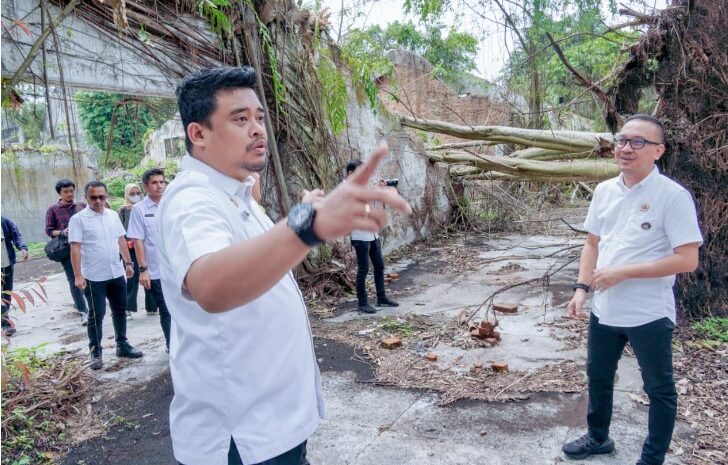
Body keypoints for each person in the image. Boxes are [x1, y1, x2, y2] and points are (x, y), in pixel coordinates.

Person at [158, 66, 410, 465]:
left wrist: (304, 214)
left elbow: (262, 254)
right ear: (198, 134)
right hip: (241, 436)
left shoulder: (238, 198)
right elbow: (210, 285)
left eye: (259, 117)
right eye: (240, 119)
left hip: (275, 427)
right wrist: (308, 225)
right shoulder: (191, 198)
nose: (257, 128)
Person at [562, 114, 703, 465]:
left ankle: (651, 459)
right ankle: (598, 438)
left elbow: (687, 259)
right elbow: (592, 244)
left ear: (658, 151)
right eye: (622, 140)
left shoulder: (673, 197)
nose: (626, 148)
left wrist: (624, 272)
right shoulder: (605, 191)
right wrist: (581, 288)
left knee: (659, 390)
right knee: (598, 378)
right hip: (605, 310)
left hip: (648, 313)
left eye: (638, 142)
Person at [69, 181, 144, 370]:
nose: (98, 201)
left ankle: (122, 344)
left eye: (101, 197)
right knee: (97, 315)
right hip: (94, 276)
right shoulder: (78, 219)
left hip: (116, 272)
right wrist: (78, 276)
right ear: (86, 197)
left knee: (120, 310)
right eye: (93, 197)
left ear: (107, 196)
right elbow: (75, 249)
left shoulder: (112, 215)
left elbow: (120, 239)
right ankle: (96, 352)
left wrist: (128, 263)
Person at [345, 160, 399, 314]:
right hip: (360, 234)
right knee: (363, 269)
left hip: (372, 233)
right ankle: (362, 303)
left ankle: (381, 297)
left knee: (379, 266)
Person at [127, 168, 171, 350]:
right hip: (156, 270)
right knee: (166, 310)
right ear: (146, 186)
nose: (159, 186)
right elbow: (138, 242)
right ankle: (172, 345)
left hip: (179, 268)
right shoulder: (139, 210)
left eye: (162, 182)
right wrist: (143, 270)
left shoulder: (172, 204)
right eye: (154, 183)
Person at [45, 178, 88, 324]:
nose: (69, 194)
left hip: (86, 247)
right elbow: (49, 231)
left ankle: (89, 304)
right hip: (67, 249)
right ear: (60, 193)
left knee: (88, 276)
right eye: (66, 192)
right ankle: (83, 311)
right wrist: (63, 232)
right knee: (74, 279)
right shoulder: (53, 209)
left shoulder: (81, 206)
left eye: (71, 191)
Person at [118, 183, 144, 317]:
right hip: (130, 248)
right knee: (132, 276)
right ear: (127, 194)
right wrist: (127, 242)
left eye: (138, 193)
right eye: (132, 194)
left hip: (145, 246)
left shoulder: (144, 207)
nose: (136, 196)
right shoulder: (123, 209)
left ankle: (153, 305)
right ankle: (128, 306)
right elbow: (119, 231)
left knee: (150, 274)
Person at [2, 217, 29, 336]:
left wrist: (23, 248)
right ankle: (5, 324)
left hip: (6, 264)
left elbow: (16, 235)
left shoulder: (4, 221)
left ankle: (5, 322)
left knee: (6, 294)